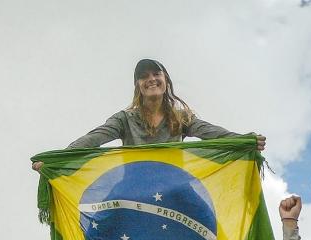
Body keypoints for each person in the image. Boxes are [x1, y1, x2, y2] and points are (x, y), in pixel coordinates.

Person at [32, 58, 264, 171]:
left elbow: (212, 133)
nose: (151, 78)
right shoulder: (124, 118)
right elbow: (93, 139)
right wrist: (57, 159)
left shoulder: (181, 117)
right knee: (97, 230)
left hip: (174, 184)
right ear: (138, 85)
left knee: (210, 226)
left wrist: (244, 140)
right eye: (144, 76)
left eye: (156, 73)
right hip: (132, 186)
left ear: (165, 81)